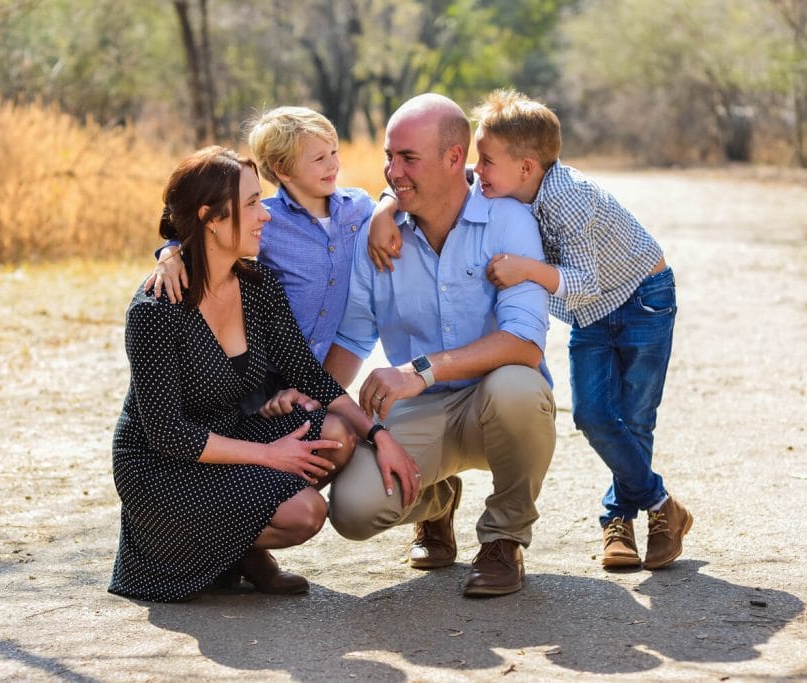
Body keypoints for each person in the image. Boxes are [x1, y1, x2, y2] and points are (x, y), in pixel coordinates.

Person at [368, 89, 693, 571]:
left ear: (526, 168)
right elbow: (437, 178)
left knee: (634, 417)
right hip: (591, 314)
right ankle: (659, 504)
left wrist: (526, 268)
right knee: (593, 416)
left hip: (641, 298)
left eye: (487, 161)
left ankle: (624, 516)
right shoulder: (504, 181)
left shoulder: (569, 200)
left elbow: (586, 282)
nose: (478, 172)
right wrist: (385, 206)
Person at [109, 146, 416, 603]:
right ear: (211, 218)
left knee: (337, 435)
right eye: (252, 203)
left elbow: (308, 374)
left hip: (232, 436)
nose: (265, 216)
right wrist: (267, 454)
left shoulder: (258, 286)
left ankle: (236, 549)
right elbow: (167, 433)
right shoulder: (156, 311)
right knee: (305, 513)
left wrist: (379, 433)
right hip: (162, 469)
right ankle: (229, 551)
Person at [318, 93, 556, 598]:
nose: (392, 171)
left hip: (495, 404)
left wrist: (419, 370)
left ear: (454, 159)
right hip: (423, 412)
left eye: (408, 158)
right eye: (388, 156)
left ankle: (503, 538)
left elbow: (525, 344)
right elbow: (352, 338)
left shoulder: (507, 218)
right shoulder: (378, 237)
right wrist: (306, 402)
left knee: (518, 387)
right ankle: (436, 501)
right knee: (353, 510)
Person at [146, 106, 374, 365]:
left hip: (324, 362)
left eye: (334, 152)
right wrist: (171, 252)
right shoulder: (263, 218)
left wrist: (387, 211)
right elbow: (204, 232)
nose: (333, 164)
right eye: (319, 159)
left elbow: (396, 212)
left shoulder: (358, 207)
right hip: (270, 365)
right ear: (283, 171)